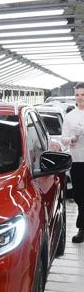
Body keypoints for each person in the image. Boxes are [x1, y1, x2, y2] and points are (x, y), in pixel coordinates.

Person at [62, 82, 84, 242]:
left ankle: (81, 229)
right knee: (79, 196)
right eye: (77, 95)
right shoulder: (70, 117)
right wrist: (72, 139)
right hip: (77, 161)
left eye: (83, 95)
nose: (80, 98)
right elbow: (63, 139)